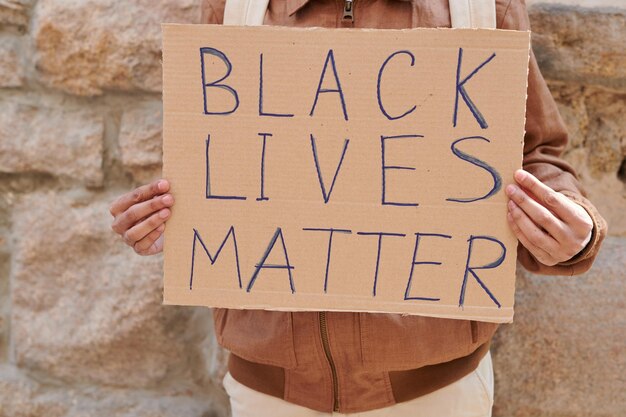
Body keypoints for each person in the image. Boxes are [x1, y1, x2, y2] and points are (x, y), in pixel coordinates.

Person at [109, 1, 608, 415]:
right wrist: (162, 217)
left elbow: (535, 154)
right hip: (270, 395)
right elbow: (219, 154)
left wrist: (570, 227)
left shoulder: (479, 5)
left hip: (437, 396)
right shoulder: (239, 5)